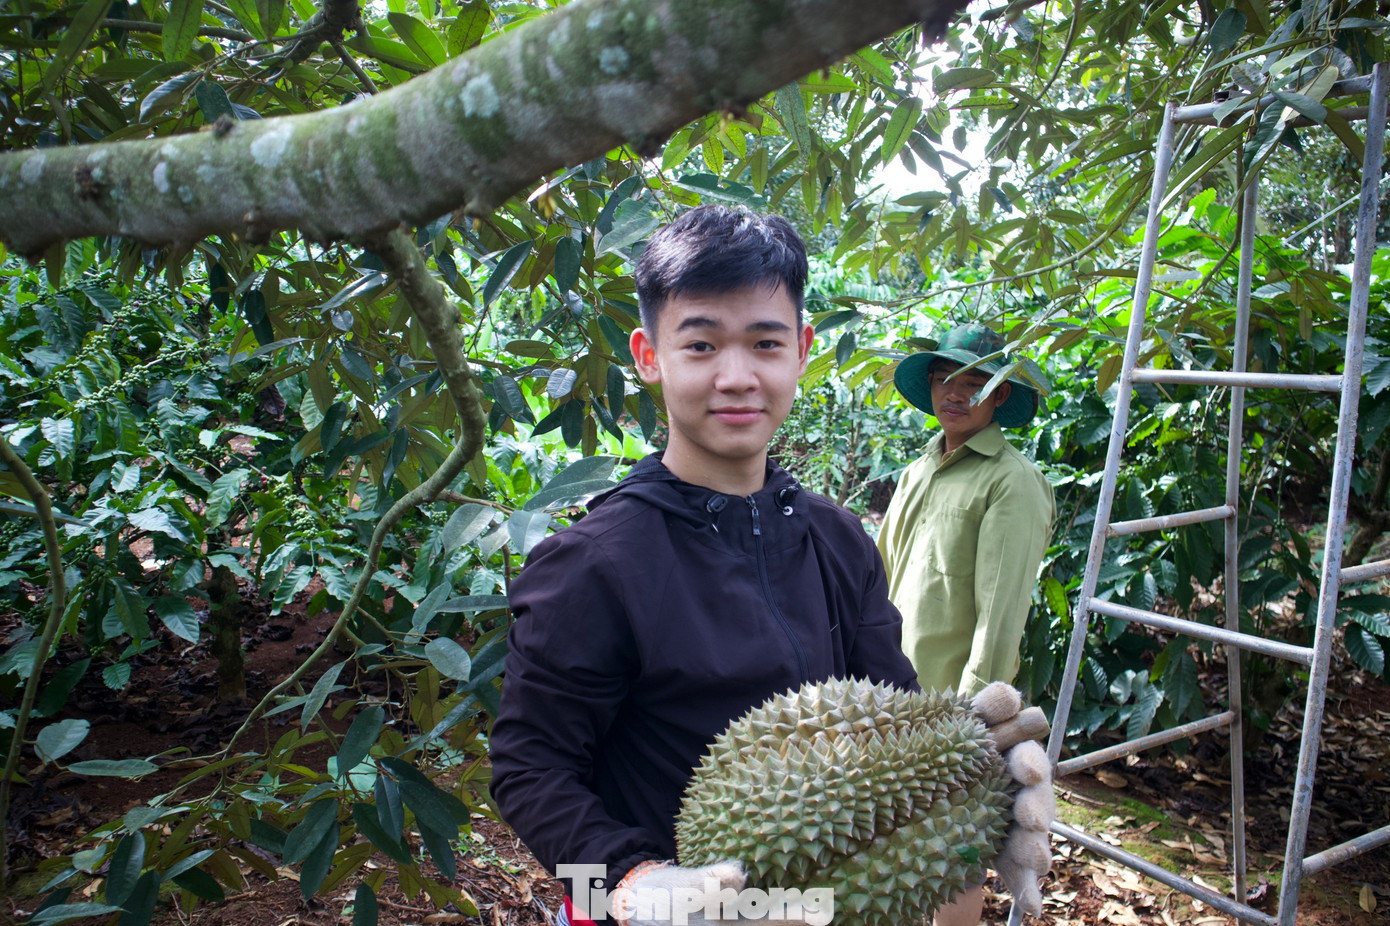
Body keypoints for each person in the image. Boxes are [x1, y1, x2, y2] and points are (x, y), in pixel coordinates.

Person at [488, 209, 1049, 926]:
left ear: (802, 350)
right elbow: (532, 768)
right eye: (700, 344)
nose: (736, 376)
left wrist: (985, 784)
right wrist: (629, 881)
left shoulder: (839, 542)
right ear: (648, 354)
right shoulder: (592, 564)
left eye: (764, 343)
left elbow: (898, 718)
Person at [876, 322, 1057, 926]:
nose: (954, 393)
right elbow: (880, 575)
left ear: (1001, 395)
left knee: (952, 850)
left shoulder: (1012, 482)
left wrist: (974, 721)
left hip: (951, 703)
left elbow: (1002, 610)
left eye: (974, 382)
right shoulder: (920, 467)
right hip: (888, 688)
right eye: (942, 380)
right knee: (893, 844)